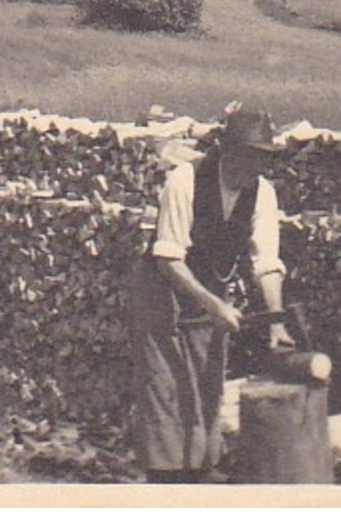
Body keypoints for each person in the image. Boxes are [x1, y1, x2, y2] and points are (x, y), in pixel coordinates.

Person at [129, 103, 294, 483]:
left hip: (210, 289)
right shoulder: (185, 181)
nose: (253, 167)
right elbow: (168, 259)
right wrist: (216, 305)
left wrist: (276, 321)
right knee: (166, 383)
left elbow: (265, 262)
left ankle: (198, 471)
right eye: (248, 156)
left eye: (262, 159)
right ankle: (166, 479)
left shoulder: (261, 194)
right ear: (226, 150)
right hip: (161, 289)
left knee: (206, 377)